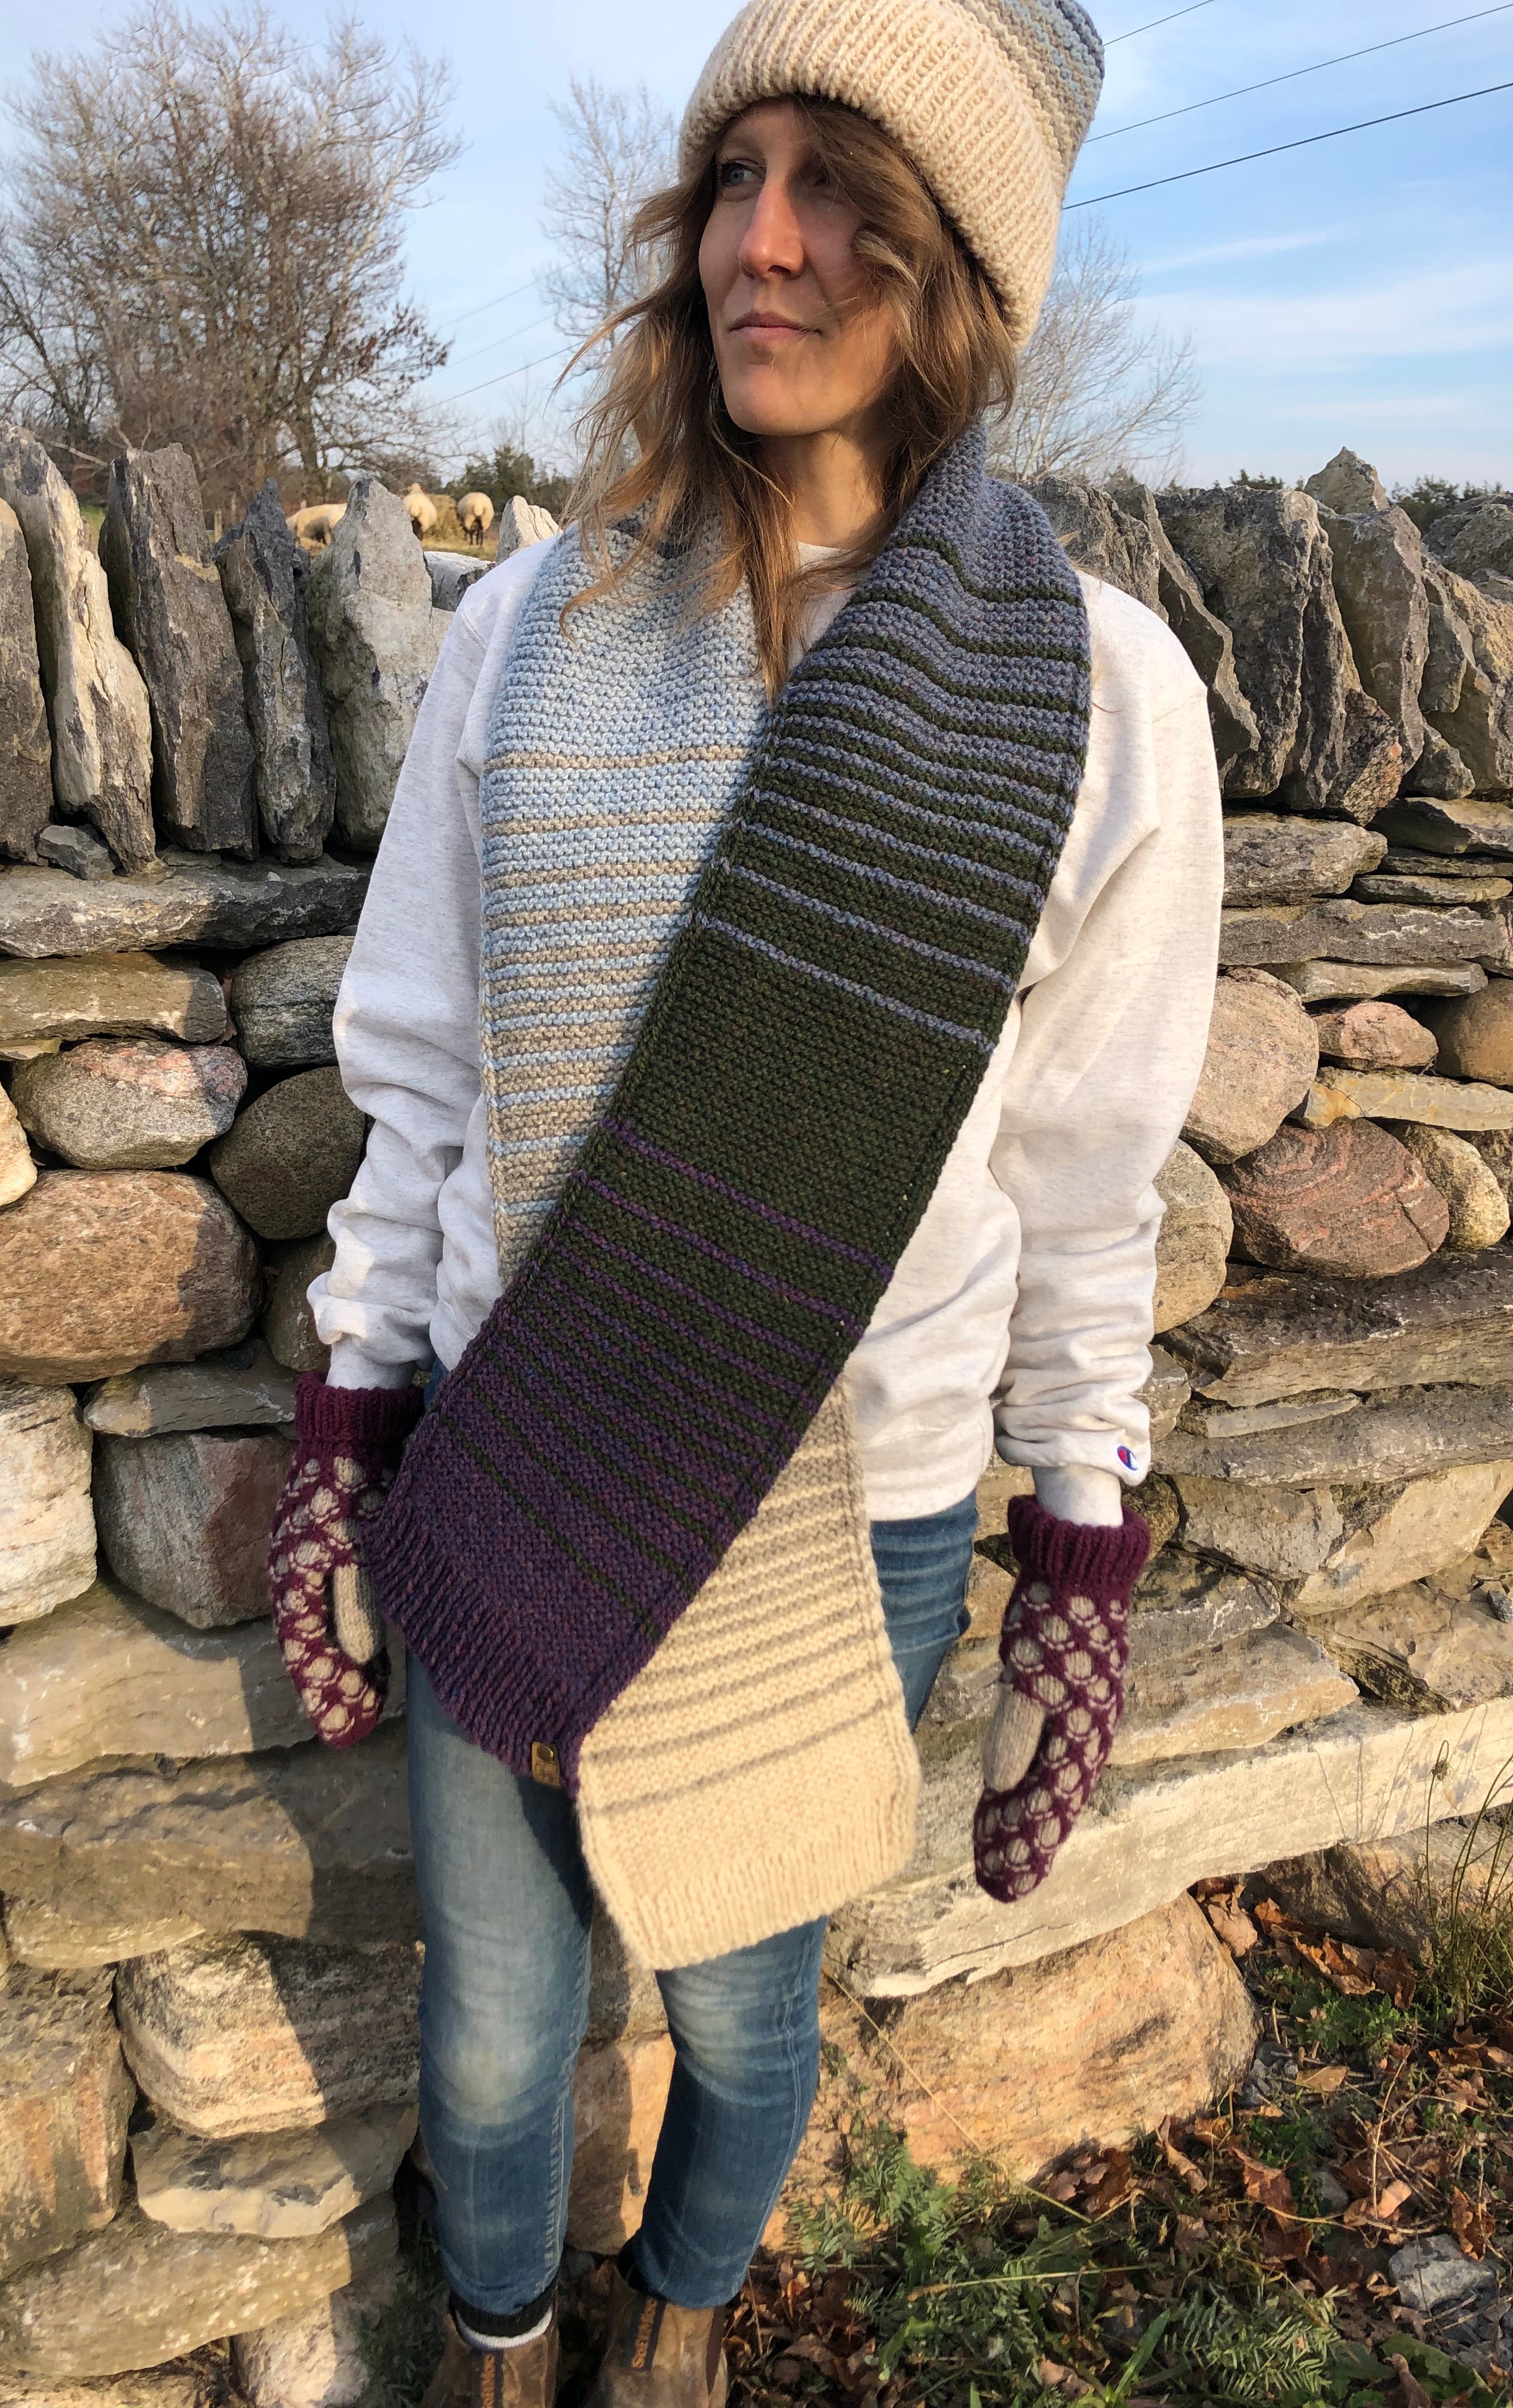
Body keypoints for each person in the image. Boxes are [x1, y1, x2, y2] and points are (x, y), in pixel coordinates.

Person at [266, 4, 1222, 2404]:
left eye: (843, 191)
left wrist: (1079, 1540)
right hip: (519, 1441)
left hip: (859, 1497)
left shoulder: (1093, 700)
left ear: (961, 267)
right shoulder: (531, 628)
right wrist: (353, 1417)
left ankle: (674, 2336)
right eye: (735, 175)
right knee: (489, 2030)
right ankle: (497, 2341)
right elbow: (420, 1074)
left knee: (740, 2007)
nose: (762, 243)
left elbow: (1090, 1178)